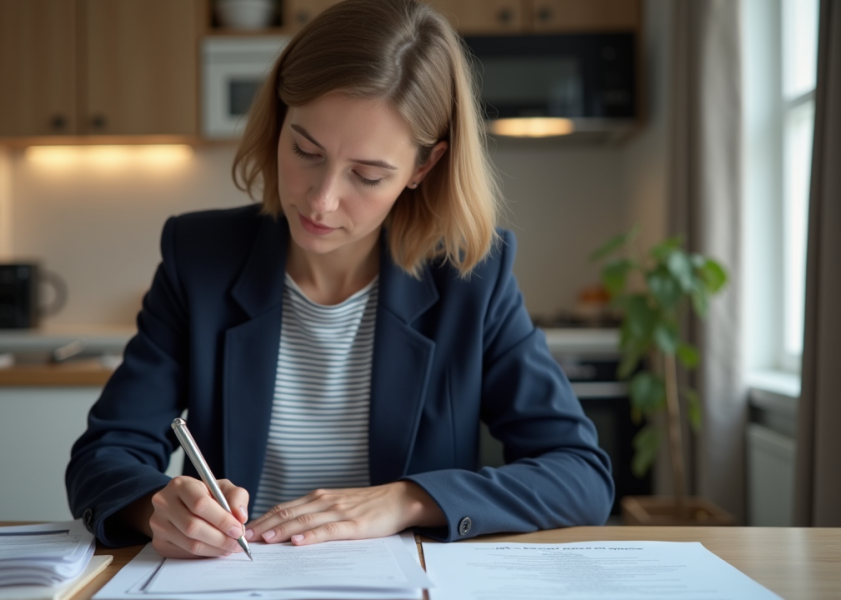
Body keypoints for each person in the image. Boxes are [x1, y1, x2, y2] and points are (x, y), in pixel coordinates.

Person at [66, 0, 613, 559]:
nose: (321, 200)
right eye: (306, 150)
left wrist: (407, 500)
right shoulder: (200, 259)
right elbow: (103, 457)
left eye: (368, 175)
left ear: (423, 168)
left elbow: (581, 475)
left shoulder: (472, 276)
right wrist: (159, 504)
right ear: (279, 119)